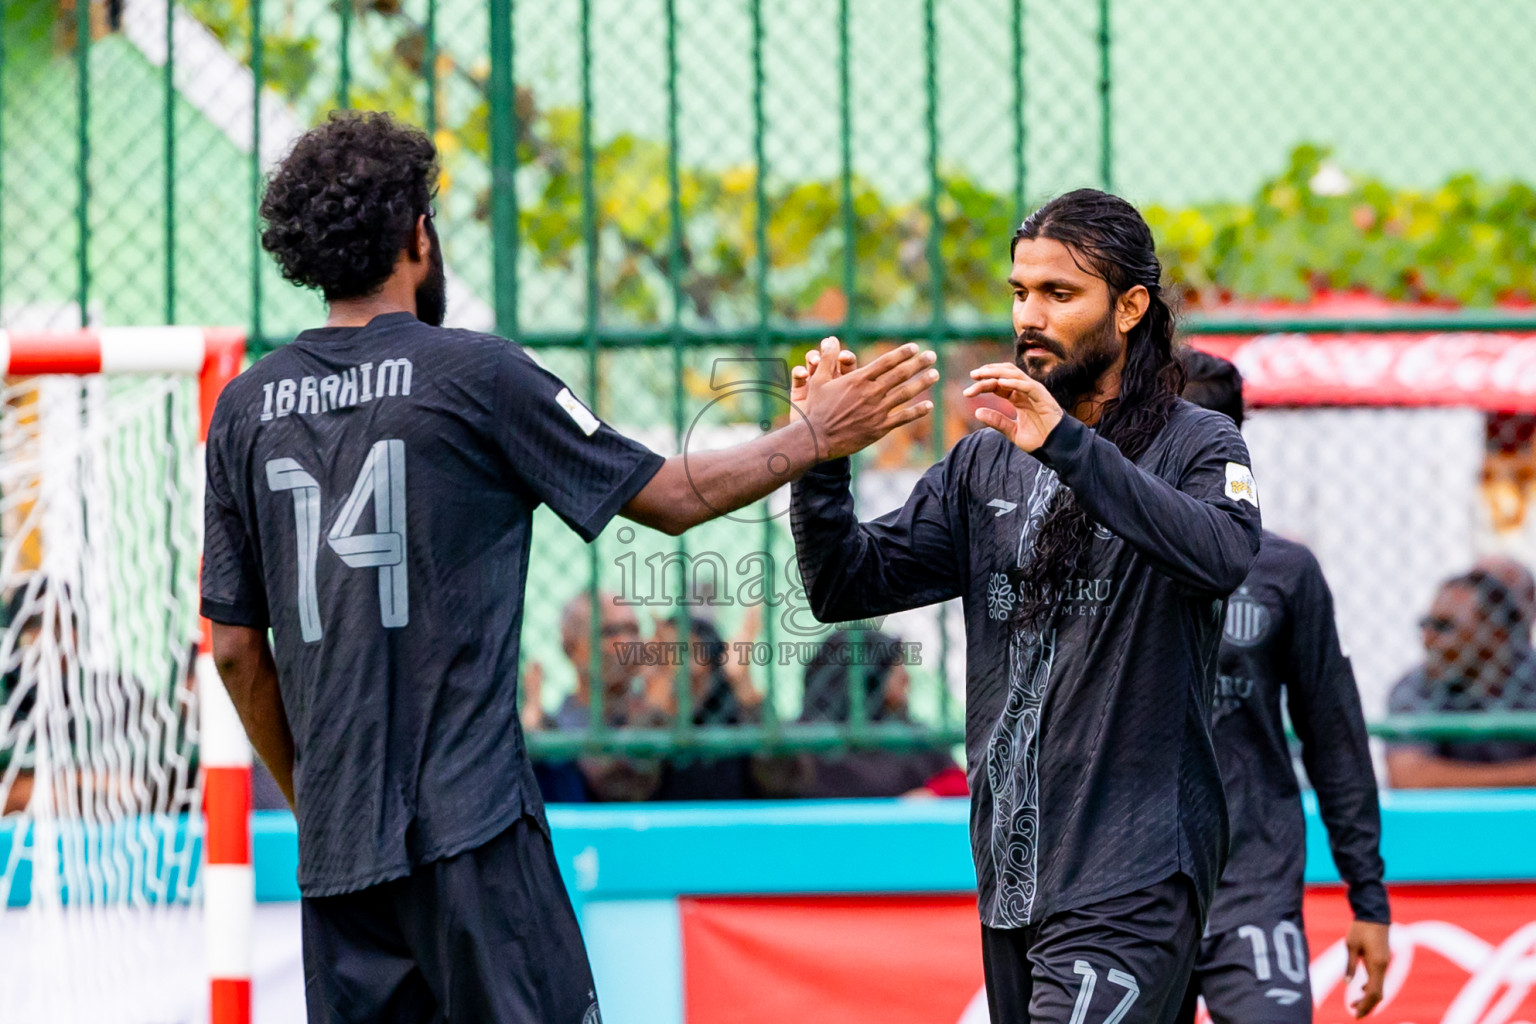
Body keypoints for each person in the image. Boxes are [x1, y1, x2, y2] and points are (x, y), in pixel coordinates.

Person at [200, 110, 937, 1024]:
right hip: (470, 834)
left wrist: (317, 800)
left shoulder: (244, 408)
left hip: (342, 856)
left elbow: (234, 649)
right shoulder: (475, 376)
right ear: (416, 236)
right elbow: (667, 497)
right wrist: (816, 434)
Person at [790, 188, 1261, 1023]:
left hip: (1135, 874)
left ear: (1130, 308)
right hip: (1012, 884)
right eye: (1020, 293)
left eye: (1059, 294)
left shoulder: (1198, 443)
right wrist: (819, 459)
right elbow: (844, 585)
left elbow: (1220, 555)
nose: (1030, 316)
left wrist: (1067, 444)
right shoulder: (982, 465)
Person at [1177, 349, 1390, 1023]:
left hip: (1253, 883)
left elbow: (1334, 735)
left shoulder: (1285, 573)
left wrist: (1370, 898)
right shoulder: (1105, 560)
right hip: (1135, 891)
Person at [1385, 569, 1536, 788]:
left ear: (1496, 634)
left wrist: (1451, 776)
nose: (1429, 639)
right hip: (1449, 819)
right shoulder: (1415, 686)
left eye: (1444, 627)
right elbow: (1409, 776)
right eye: (1426, 624)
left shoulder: (1528, 675)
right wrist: (1525, 776)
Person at [795, 628, 957, 798]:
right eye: (895, 669)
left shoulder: (916, 742)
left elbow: (960, 785)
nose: (906, 680)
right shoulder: (797, 746)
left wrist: (933, 793)